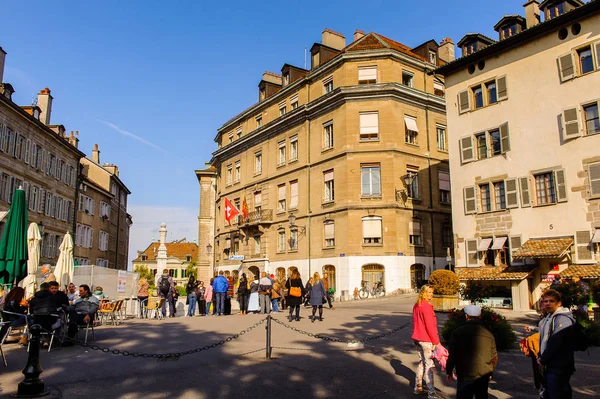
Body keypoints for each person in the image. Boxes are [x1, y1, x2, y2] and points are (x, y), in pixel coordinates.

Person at [446, 305, 498, 399]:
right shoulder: (488, 334)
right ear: (479, 316)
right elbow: (494, 356)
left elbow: (452, 354)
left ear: (466, 316)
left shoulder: (458, 332)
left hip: (465, 373)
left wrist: (449, 371)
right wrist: (490, 372)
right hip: (483, 374)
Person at [537, 289, 576, 399]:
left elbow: (556, 341)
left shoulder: (563, 318)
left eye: (551, 301)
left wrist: (543, 359)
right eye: (545, 301)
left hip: (559, 365)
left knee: (558, 393)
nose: (547, 303)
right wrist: (540, 356)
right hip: (549, 365)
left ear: (559, 303)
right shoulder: (549, 317)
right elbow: (545, 337)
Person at [411, 284, 440, 398]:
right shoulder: (426, 306)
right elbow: (430, 326)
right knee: (429, 365)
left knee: (422, 363)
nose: (431, 295)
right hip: (426, 339)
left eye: (432, 292)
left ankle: (418, 387)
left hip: (417, 338)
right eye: (429, 292)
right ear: (423, 292)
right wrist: (436, 342)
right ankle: (431, 393)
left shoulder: (417, 305)